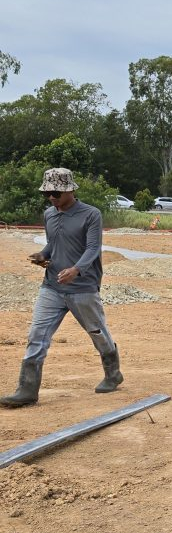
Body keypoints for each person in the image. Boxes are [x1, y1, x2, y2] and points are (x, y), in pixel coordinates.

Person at [1, 168, 123, 409]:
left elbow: (92, 248)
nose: (51, 198)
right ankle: (26, 389)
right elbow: (52, 245)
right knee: (37, 335)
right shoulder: (49, 214)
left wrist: (76, 269)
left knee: (97, 332)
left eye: (56, 193)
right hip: (52, 286)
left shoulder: (91, 214)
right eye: (47, 193)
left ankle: (113, 373)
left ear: (70, 190)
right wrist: (42, 255)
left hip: (83, 287)